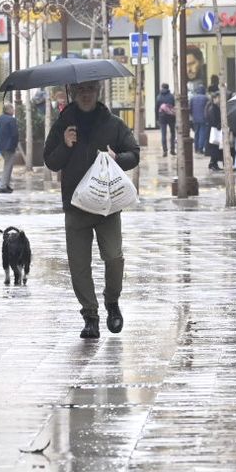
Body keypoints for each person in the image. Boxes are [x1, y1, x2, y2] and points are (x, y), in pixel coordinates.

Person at [45, 80, 140, 339]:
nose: (86, 95)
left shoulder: (113, 123)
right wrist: (65, 144)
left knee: (113, 257)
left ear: (98, 92)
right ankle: (90, 315)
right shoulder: (63, 124)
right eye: (81, 90)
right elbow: (50, 162)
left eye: (91, 90)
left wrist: (117, 158)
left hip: (107, 205)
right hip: (75, 206)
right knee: (79, 265)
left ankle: (112, 301)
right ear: (73, 93)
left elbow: (134, 153)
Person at [0, 102, 19, 192]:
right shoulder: (11, 120)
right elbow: (15, 134)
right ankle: (3, 186)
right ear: (9, 109)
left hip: (0, 146)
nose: (14, 110)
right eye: (12, 108)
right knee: (8, 166)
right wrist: (15, 145)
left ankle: (7, 184)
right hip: (9, 146)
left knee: (8, 165)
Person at [205, 92, 224, 171]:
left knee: (215, 147)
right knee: (214, 147)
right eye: (218, 98)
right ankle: (213, 163)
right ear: (214, 98)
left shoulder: (215, 107)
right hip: (214, 130)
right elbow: (213, 120)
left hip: (214, 130)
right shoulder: (212, 108)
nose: (220, 99)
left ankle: (213, 163)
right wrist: (219, 125)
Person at [155, 83, 176, 155]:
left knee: (163, 134)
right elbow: (174, 106)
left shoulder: (159, 97)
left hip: (162, 117)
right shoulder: (171, 96)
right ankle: (172, 149)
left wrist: (157, 118)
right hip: (171, 117)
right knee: (172, 133)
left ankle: (165, 151)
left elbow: (156, 108)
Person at [190, 84, 209, 153]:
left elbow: (190, 109)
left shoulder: (193, 98)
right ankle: (200, 148)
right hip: (203, 118)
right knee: (202, 133)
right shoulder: (206, 98)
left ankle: (196, 148)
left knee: (196, 133)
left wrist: (192, 116)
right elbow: (208, 108)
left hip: (195, 119)